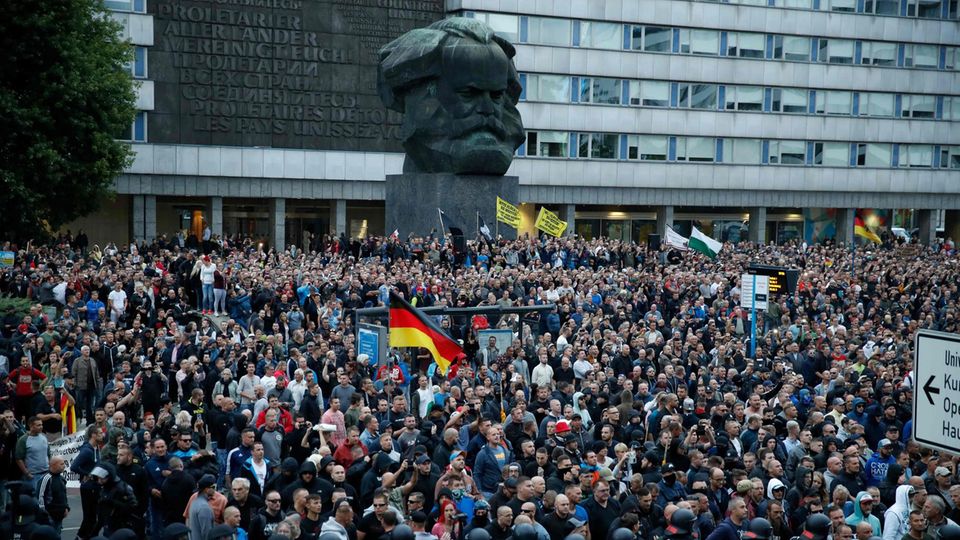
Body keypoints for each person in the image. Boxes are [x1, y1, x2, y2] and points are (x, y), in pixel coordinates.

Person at [36, 455, 69, 535]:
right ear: (53, 465)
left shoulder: (61, 479)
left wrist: (66, 508)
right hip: (49, 516)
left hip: (59, 516)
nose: (64, 466)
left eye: (64, 463)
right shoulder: (46, 478)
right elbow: (40, 496)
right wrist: (45, 515)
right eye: (61, 464)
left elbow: (63, 496)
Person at [188, 474, 218, 540]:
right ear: (207, 489)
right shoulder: (204, 507)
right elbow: (207, 534)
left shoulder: (194, 503)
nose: (215, 490)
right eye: (214, 487)